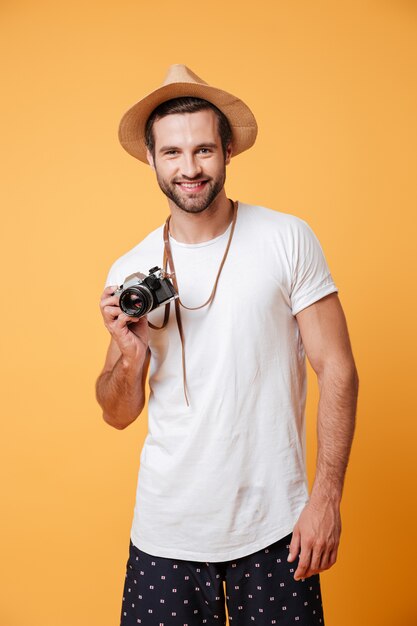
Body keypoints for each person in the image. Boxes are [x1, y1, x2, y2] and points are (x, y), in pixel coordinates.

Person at [96, 64, 359, 626]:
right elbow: (117, 414)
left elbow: (336, 368)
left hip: (275, 526)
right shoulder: (130, 272)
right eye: (171, 153)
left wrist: (327, 499)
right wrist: (129, 352)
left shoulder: (287, 238)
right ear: (151, 159)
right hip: (166, 532)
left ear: (228, 151)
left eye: (202, 151)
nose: (188, 168)